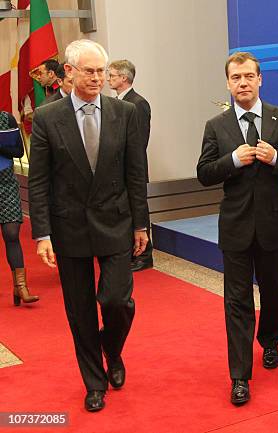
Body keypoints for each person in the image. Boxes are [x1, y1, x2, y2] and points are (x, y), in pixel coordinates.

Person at [28, 39, 149, 412]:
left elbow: (135, 173)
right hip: (70, 229)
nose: (98, 78)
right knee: (79, 311)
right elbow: (39, 181)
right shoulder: (48, 117)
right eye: (90, 71)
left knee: (116, 301)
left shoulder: (123, 112)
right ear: (70, 72)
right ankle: (93, 381)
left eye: (101, 71)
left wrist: (141, 224)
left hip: (116, 222)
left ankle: (112, 350)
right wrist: (42, 234)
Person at [197, 52, 278, 405]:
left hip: (273, 224)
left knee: (272, 292)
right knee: (236, 301)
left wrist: (277, 157)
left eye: (249, 76)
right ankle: (239, 375)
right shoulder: (216, 126)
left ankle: (270, 341)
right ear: (228, 83)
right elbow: (204, 173)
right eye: (236, 78)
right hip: (234, 226)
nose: (243, 83)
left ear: (260, 79)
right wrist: (232, 160)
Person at [107, 59, 153, 272]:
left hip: (134, 167)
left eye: (112, 75)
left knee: (139, 209)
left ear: (124, 78)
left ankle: (145, 255)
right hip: (118, 169)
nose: (108, 79)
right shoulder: (116, 102)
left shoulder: (138, 103)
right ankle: (132, 251)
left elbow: (140, 140)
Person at [0, 111, 39, 306]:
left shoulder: (6, 118)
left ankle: (21, 286)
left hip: (6, 184)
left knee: (12, 233)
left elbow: (18, 151)